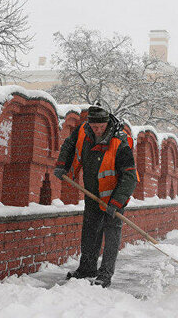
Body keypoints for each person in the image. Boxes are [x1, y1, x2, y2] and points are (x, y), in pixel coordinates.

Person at [53, 105, 138, 288]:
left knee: (111, 234)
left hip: (114, 196)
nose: (97, 130)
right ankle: (87, 268)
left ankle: (105, 274)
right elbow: (69, 144)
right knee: (90, 231)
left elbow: (130, 176)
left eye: (100, 127)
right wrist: (62, 164)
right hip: (92, 193)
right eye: (93, 126)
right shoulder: (84, 131)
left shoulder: (120, 141)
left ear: (107, 123)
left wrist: (116, 202)